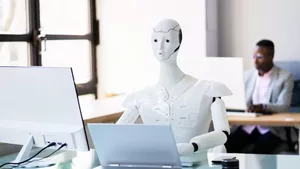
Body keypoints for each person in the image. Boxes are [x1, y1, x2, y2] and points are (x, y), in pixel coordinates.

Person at [116, 19, 232, 163]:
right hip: (156, 164)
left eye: (167, 40)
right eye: (155, 40)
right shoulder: (140, 95)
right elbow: (116, 134)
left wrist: (193, 146)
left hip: (195, 162)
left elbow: (223, 133)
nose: (160, 47)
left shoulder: (207, 89)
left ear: (178, 42)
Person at [225, 39, 294, 154]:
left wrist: (263, 107)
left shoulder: (285, 77)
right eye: (254, 57)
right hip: (247, 126)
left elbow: (284, 107)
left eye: (260, 57)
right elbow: (238, 101)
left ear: (271, 56)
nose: (255, 61)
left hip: (271, 129)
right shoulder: (247, 75)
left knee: (257, 152)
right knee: (227, 147)